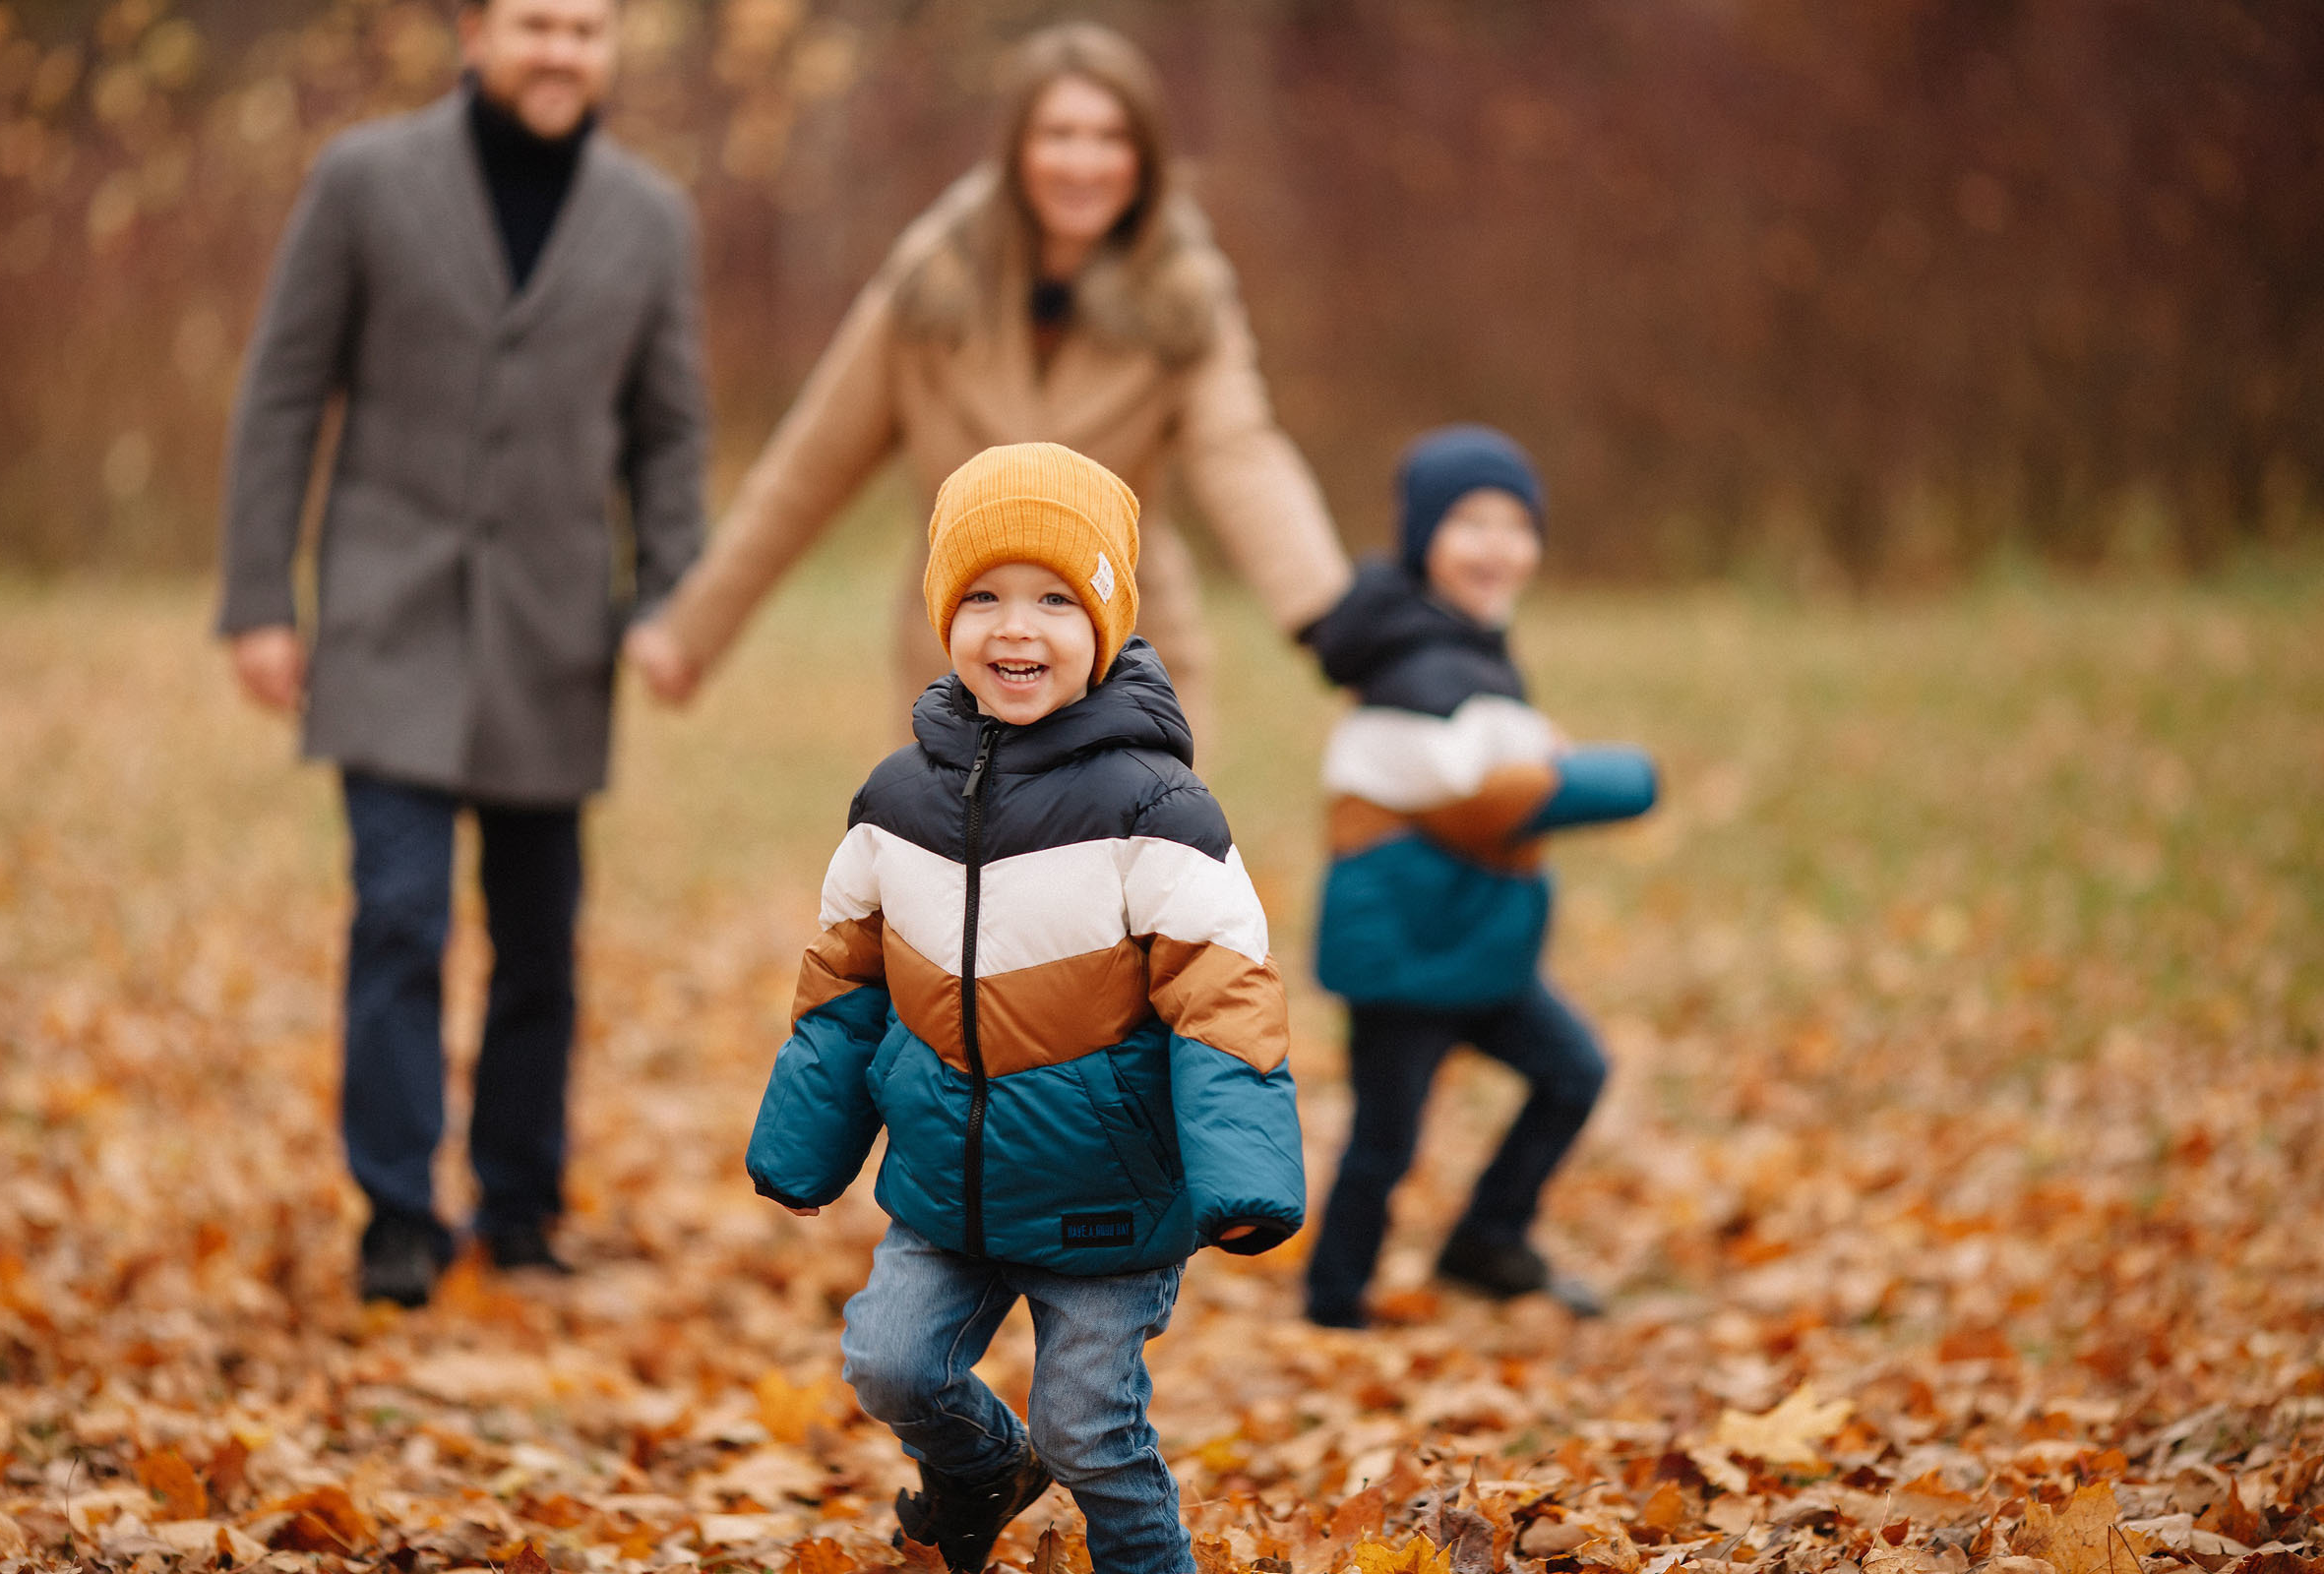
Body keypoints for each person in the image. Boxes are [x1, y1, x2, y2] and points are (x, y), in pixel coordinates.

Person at [214, 0, 707, 1306]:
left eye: (589, 29)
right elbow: (281, 389)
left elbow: (669, 434)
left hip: (556, 629)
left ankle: (522, 1202)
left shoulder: (650, 216)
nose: (563, 51)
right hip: (390, 614)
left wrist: (676, 597)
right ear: (475, 33)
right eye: (537, 22)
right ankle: (394, 1209)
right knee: (400, 915)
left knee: (541, 937)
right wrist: (260, 594)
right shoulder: (365, 180)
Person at [746, 443, 1304, 1574]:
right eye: (985, 597)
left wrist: (1246, 1171)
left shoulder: (1158, 810)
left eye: (1056, 598)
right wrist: (804, 1147)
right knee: (891, 1365)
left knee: (1089, 1432)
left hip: (1105, 1197)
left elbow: (1224, 990)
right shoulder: (894, 803)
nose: (1016, 627)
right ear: (943, 616)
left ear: (1106, 623)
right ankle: (983, 1465)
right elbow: (845, 986)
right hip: (947, 1183)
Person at [628, 22, 1350, 726]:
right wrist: (692, 632)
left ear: (1146, 158)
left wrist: (1334, 618)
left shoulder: (1186, 298)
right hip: (962, 678)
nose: (1083, 163)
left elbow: (1243, 455)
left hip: (1130, 675)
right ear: (1015, 153)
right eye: (1058, 135)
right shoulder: (926, 288)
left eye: (1110, 138)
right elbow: (808, 468)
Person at [1298, 425, 1658, 1330]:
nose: (1497, 547)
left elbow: (1496, 753)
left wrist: (1535, 754)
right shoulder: (1412, 664)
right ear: (1423, 538)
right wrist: (1588, 776)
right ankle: (1333, 1306)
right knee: (1387, 1139)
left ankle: (1488, 1239)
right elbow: (1469, 788)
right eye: (1470, 523)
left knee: (1573, 1070)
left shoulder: (1463, 642)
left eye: (1515, 525)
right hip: (1410, 953)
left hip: (1472, 945)